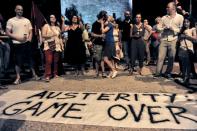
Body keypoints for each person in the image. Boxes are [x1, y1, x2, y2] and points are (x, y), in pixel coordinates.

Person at [6, 5, 39, 84]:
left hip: (27, 44)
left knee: (31, 60)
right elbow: (7, 32)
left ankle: (34, 75)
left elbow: (31, 31)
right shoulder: (11, 20)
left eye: (21, 10)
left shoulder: (27, 20)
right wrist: (18, 38)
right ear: (15, 10)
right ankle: (18, 78)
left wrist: (29, 39)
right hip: (16, 44)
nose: (20, 11)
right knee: (18, 61)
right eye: (18, 9)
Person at [154, 2, 184, 78]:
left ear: (173, 8)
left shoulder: (180, 17)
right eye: (167, 7)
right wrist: (163, 28)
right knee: (160, 57)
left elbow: (181, 29)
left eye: (168, 7)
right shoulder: (164, 17)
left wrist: (172, 28)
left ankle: (168, 73)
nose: (166, 8)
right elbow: (158, 27)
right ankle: (158, 73)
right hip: (163, 39)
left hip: (173, 39)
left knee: (171, 58)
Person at [41, 14, 64, 82]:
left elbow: (60, 37)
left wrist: (62, 45)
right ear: (49, 18)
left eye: (54, 17)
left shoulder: (57, 27)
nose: (53, 18)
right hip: (49, 45)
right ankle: (48, 75)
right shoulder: (46, 26)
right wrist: (51, 34)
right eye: (51, 17)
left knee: (56, 61)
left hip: (57, 45)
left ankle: (55, 73)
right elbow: (43, 35)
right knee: (49, 61)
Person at [178, 17, 197, 86]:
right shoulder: (182, 30)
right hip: (181, 48)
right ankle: (184, 78)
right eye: (185, 22)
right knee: (183, 65)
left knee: (188, 64)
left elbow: (195, 39)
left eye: (187, 22)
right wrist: (180, 36)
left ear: (190, 22)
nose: (186, 23)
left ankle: (187, 78)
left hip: (189, 48)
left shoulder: (193, 29)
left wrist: (186, 36)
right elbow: (178, 40)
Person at [91, 11, 107, 78]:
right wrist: (100, 36)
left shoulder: (105, 23)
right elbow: (92, 34)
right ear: (103, 16)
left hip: (104, 44)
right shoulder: (95, 24)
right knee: (97, 59)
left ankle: (103, 72)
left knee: (102, 59)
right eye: (106, 15)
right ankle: (97, 72)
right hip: (97, 43)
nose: (107, 16)